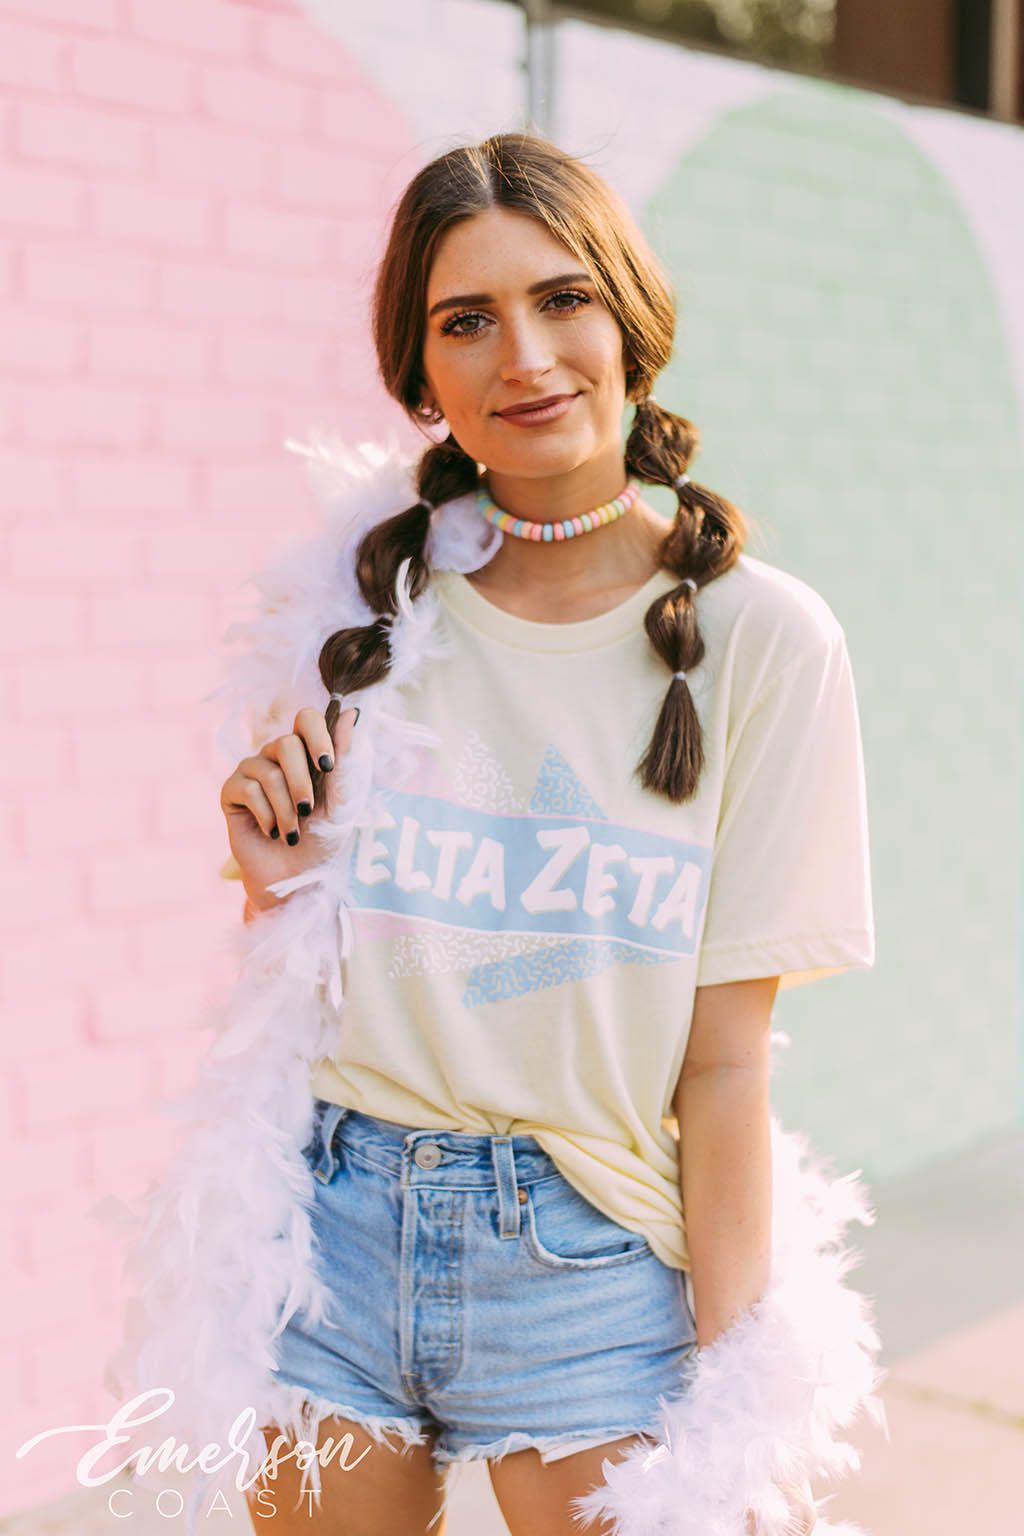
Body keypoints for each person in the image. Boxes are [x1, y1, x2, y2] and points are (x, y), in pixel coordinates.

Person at [105, 132, 880, 1536]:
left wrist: (742, 1401)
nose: (524, 357)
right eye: (466, 321)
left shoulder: (767, 643)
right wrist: (277, 888)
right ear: (421, 375)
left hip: (594, 1257)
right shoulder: (348, 615)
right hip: (331, 1240)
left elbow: (723, 1063)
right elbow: (310, 986)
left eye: (562, 299)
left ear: (631, 321)